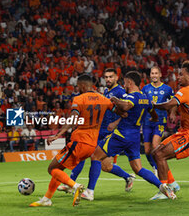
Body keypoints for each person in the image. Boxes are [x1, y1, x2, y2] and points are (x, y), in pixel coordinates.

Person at [29, 75, 124, 207]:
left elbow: (73, 119)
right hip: (92, 145)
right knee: (59, 169)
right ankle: (46, 199)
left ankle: (75, 186)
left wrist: (58, 135)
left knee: (52, 168)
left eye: (78, 86)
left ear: (83, 86)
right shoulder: (104, 99)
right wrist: (118, 120)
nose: (77, 89)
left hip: (79, 141)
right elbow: (122, 113)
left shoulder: (79, 99)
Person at [90, 71, 176, 200]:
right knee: (138, 168)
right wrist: (152, 119)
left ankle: (89, 191)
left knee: (95, 156)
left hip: (122, 134)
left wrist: (115, 100)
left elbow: (125, 106)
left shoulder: (132, 97)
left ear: (129, 82)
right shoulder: (146, 98)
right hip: (135, 137)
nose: (124, 85)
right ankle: (162, 187)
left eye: (124, 82)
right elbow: (154, 114)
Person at [58, 68, 135, 200]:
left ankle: (126, 177)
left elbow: (127, 111)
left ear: (116, 78)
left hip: (110, 132)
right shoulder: (105, 92)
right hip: (99, 130)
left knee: (103, 164)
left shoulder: (121, 92)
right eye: (106, 77)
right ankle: (72, 183)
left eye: (111, 77)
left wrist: (116, 123)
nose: (108, 79)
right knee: (84, 154)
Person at [150, 60, 189, 200]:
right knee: (156, 153)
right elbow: (177, 104)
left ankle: (165, 190)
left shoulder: (187, 90)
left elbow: (169, 104)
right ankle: (172, 184)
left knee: (159, 154)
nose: (178, 77)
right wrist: (174, 112)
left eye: (181, 75)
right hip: (186, 132)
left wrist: (152, 104)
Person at [142, 66, 180, 200]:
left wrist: (173, 113)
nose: (154, 75)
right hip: (147, 122)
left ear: (160, 75)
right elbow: (142, 103)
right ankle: (157, 169)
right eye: (152, 73)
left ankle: (164, 180)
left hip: (160, 121)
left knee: (155, 147)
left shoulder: (167, 89)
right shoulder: (145, 88)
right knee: (147, 150)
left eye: (156, 73)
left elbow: (174, 103)